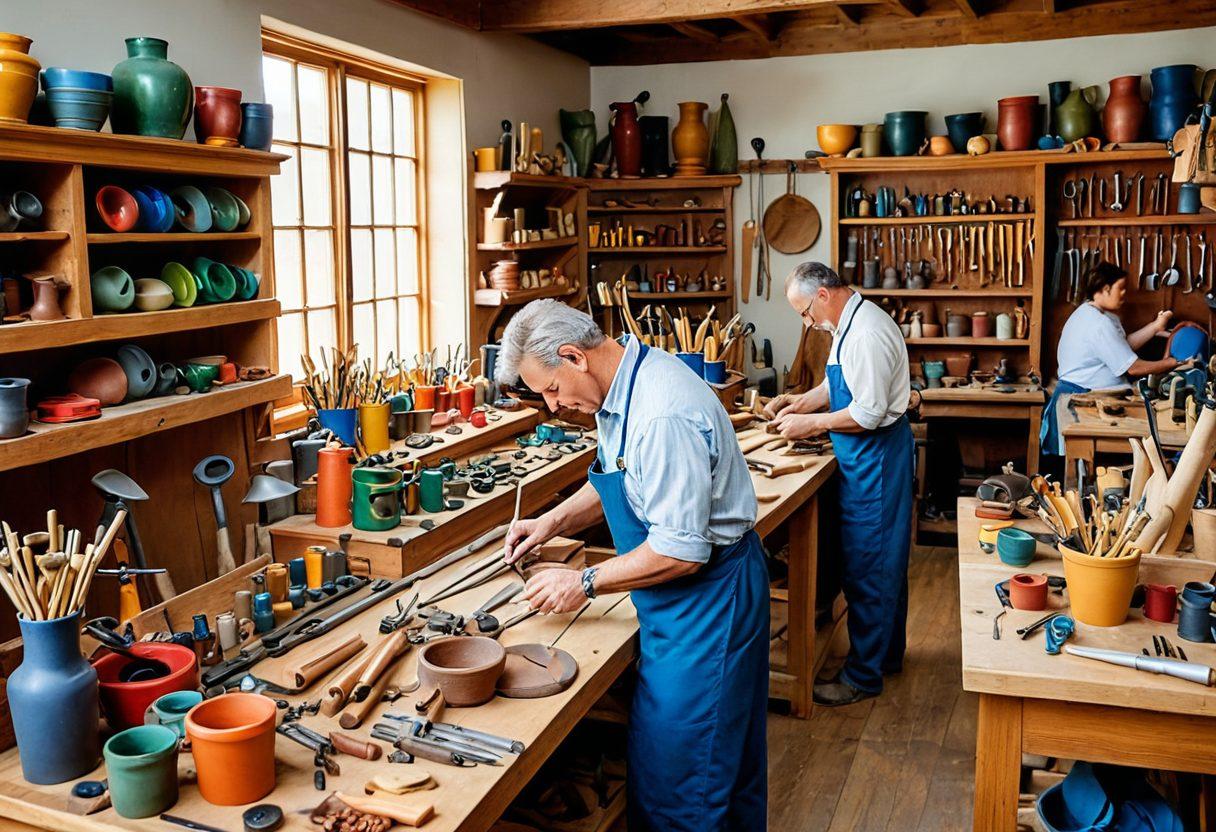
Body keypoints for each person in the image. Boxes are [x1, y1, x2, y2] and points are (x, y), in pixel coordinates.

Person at [495, 299, 768, 832]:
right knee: (711, 762)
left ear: (574, 356)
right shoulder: (623, 390)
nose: (553, 408)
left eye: (550, 389)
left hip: (710, 601)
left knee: (686, 778)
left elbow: (678, 551)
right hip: (680, 603)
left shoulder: (661, 413)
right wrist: (549, 522)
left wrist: (584, 581)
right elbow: (624, 480)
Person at [764, 262, 913, 707]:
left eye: (805, 312)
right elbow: (841, 388)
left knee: (871, 567)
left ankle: (863, 677)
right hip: (862, 460)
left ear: (824, 294)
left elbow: (866, 414)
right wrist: (801, 400)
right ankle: (885, 655)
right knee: (881, 564)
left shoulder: (866, 332)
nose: (806, 323)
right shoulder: (847, 323)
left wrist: (809, 424)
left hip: (877, 459)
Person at [1040, 261, 1178, 456]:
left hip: (1086, 399)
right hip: (1082, 403)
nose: (1124, 294)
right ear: (1105, 289)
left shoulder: (1093, 313)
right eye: (1120, 289)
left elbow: (1122, 347)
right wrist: (1172, 363)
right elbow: (1133, 368)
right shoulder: (1098, 323)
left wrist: (1156, 326)